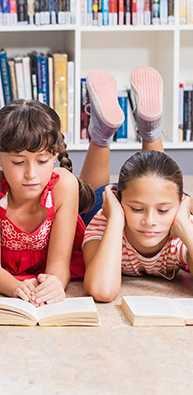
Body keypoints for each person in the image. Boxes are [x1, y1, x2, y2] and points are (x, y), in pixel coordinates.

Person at [81, 66, 193, 302]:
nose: (150, 221)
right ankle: (111, 133)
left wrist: (183, 223)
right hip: (109, 209)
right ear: (122, 205)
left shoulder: (179, 232)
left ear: (180, 206)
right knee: (87, 202)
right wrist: (116, 219)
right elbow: (102, 291)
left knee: (157, 181)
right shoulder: (105, 223)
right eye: (137, 209)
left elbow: (162, 195)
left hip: (166, 203)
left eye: (163, 210)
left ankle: (139, 130)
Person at [0, 99, 93, 306]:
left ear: (55, 154)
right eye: (18, 162)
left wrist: (54, 285)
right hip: (8, 275)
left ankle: (101, 136)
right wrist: (15, 287)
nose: (31, 174)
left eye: (43, 161)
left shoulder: (65, 186)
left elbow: (59, 266)